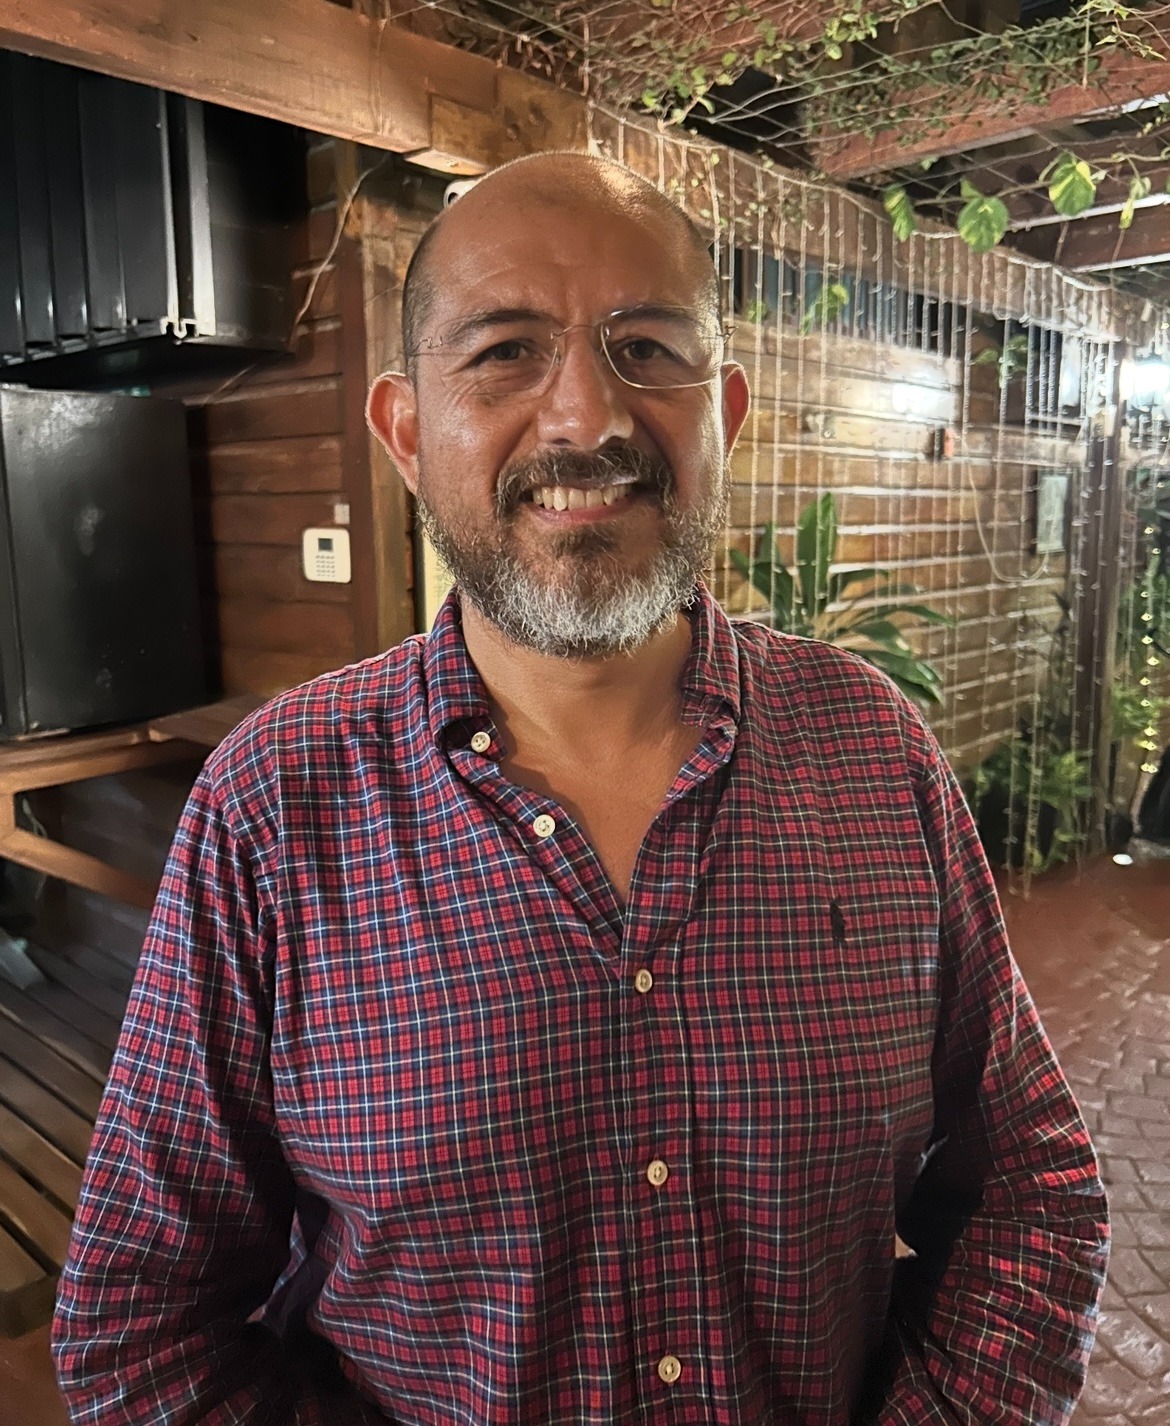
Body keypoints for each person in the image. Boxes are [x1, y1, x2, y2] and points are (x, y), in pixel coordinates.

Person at [52, 152, 1107, 1425]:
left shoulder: (872, 751)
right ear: (405, 431)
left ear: (724, 413)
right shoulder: (275, 804)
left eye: (647, 348)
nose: (587, 418)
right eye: (506, 351)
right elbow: (143, 1326)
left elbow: (1032, 1188)